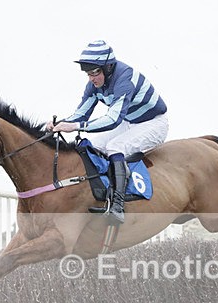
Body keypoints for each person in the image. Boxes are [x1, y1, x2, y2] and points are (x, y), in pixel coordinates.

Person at [47, 40, 168, 224]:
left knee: (115, 147)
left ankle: (118, 206)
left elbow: (113, 119)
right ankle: (102, 194)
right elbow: (81, 114)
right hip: (129, 121)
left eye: (95, 72)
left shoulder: (124, 79)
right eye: (88, 73)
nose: (91, 78)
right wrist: (60, 123)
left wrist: (77, 126)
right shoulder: (93, 85)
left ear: (108, 67)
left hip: (153, 123)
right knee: (93, 146)